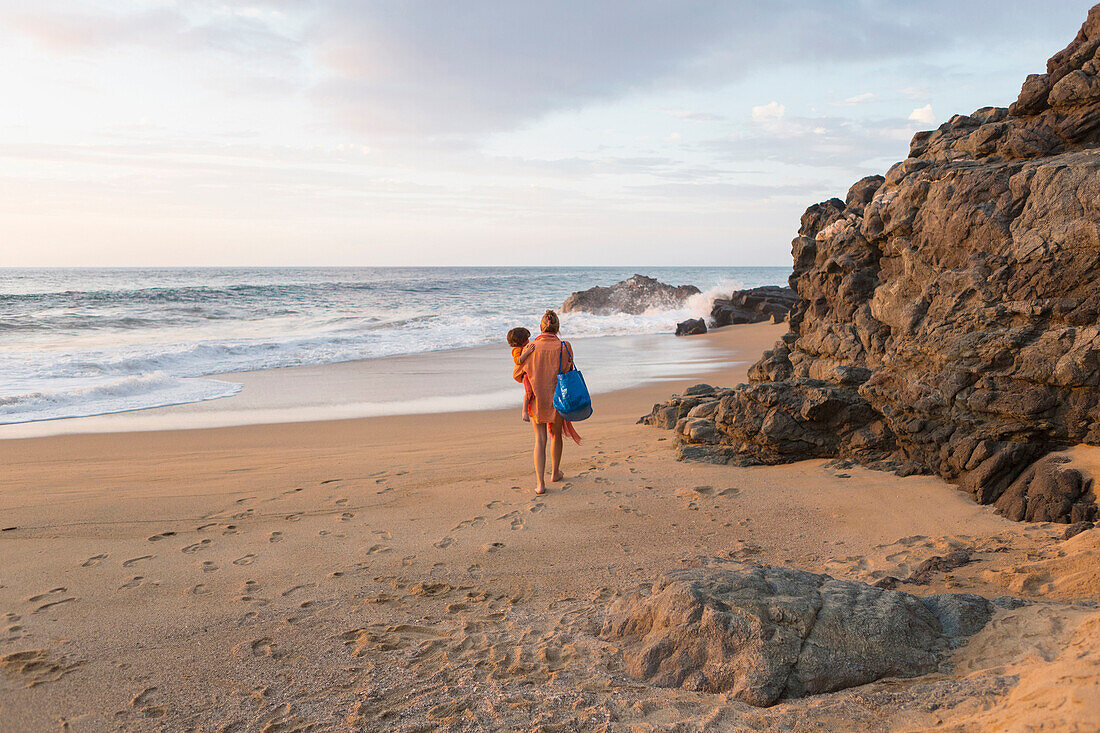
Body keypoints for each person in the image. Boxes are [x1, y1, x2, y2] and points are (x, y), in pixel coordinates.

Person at [513, 310, 581, 494]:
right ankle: (555, 473)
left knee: (539, 440)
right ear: (557, 328)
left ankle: (540, 484)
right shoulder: (565, 346)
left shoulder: (531, 347)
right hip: (558, 399)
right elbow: (568, 369)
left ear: (541, 327)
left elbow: (518, 374)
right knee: (556, 435)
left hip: (536, 401)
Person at [506, 326, 534, 422]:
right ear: (521, 341)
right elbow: (518, 361)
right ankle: (524, 411)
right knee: (528, 392)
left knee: (531, 390)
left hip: (526, 371)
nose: (528, 340)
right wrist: (527, 352)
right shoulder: (517, 350)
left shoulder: (525, 346)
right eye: (526, 339)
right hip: (521, 373)